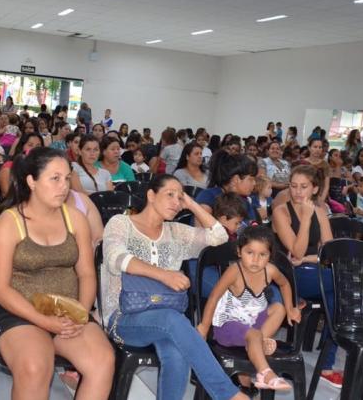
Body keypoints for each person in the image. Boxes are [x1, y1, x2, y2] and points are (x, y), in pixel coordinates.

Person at [101, 175, 248, 400]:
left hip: (166, 319)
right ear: (151, 195)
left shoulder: (176, 232)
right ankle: (228, 394)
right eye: (169, 194)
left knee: (176, 351)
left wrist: (192, 203)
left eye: (179, 198)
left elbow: (219, 237)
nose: (175, 202)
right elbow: (115, 258)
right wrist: (164, 275)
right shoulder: (122, 224)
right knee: (173, 321)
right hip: (124, 318)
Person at [0, 147, 114, 399]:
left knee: (103, 360)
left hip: (68, 311)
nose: (64, 186)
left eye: (67, 178)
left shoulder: (76, 219)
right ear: (31, 181)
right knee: (35, 366)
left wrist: (79, 313)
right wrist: (44, 321)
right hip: (17, 311)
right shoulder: (9, 221)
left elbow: (87, 275)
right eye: (55, 178)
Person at [196, 225, 301, 392]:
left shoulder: (270, 271)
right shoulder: (234, 271)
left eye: (262, 255)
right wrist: (203, 326)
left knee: (278, 308)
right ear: (239, 252)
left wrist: (291, 308)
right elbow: (214, 296)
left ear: (270, 256)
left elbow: (285, 283)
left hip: (251, 323)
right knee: (253, 334)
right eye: (249, 253)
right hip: (228, 326)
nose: (255, 260)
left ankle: (257, 344)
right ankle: (265, 374)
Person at [271, 165, 341, 388]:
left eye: (303, 187)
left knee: (337, 298)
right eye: (293, 186)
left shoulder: (320, 211)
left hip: (313, 270)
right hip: (288, 276)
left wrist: (309, 259)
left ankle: (326, 365)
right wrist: (307, 219)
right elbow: (296, 251)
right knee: (346, 286)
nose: (298, 192)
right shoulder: (281, 211)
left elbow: (328, 252)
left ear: (314, 189)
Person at [197, 150, 258, 221]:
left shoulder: (245, 202)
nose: (254, 183)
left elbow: (253, 228)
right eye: (251, 179)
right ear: (236, 179)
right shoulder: (208, 196)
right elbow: (200, 229)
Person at [0, 133, 45, 197]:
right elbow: (7, 194)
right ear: (22, 146)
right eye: (30, 145)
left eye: (38, 146)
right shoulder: (9, 167)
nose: (34, 149)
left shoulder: (44, 168)